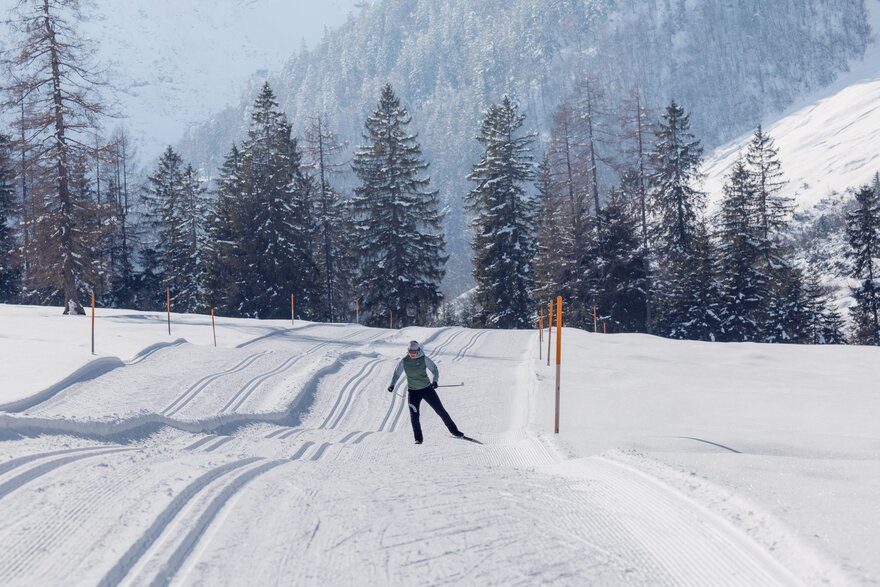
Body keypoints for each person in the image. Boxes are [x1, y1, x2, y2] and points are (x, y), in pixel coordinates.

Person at [388, 340, 464, 444]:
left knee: (440, 410)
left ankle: (454, 431)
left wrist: (435, 381)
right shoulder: (404, 361)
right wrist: (392, 384)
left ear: (418, 350)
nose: (412, 354)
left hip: (427, 389)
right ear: (408, 351)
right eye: (410, 352)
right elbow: (396, 374)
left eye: (414, 352)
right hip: (413, 392)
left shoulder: (424, 359)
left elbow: (434, 369)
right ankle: (418, 438)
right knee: (414, 415)